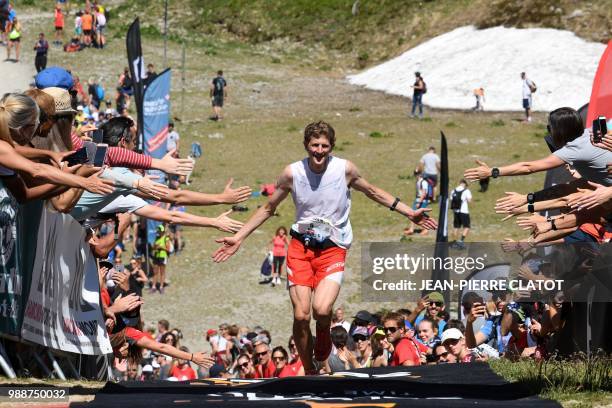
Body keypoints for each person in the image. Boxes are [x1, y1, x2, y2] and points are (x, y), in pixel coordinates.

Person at [213, 121, 437, 374]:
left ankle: (323, 331)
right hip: (300, 247)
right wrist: (240, 236)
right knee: (300, 315)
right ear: (306, 146)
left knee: (321, 309)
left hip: (333, 248)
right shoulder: (292, 173)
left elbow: (373, 192)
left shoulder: (345, 169)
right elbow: (268, 208)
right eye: (314, 145)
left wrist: (409, 213)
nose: (319, 151)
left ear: (331, 147)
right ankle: (309, 369)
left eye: (324, 146)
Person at [404, 170, 430, 235]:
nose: (416, 175)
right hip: (418, 199)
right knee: (412, 214)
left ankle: (426, 230)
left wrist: (419, 201)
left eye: (417, 174)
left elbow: (424, 193)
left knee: (422, 215)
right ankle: (411, 229)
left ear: (420, 174)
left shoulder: (424, 182)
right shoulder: (418, 182)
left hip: (422, 200)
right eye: (415, 174)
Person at [450, 179, 472, 249]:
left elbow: (451, 200)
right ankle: (461, 241)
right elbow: (469, 200)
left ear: (460, 183)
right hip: (464, 211)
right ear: (465, 184)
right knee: (467, 226)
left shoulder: (453, 191)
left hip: (456, 211)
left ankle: (454, 242)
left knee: (456, 227)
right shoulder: (466, 191)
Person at [151, 224, 171, 294]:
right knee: (155, 272)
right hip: (156, 256)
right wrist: (155, 247)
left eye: (159, 230)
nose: (158, 232)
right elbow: (153, 247)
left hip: (163, 256)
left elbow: (168, 249)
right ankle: (153, 287)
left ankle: (161, 287)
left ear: (162, 231)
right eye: (158, 230)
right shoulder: (156, 238)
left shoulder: (166, 238)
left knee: (162, 272)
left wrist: (161, 247)